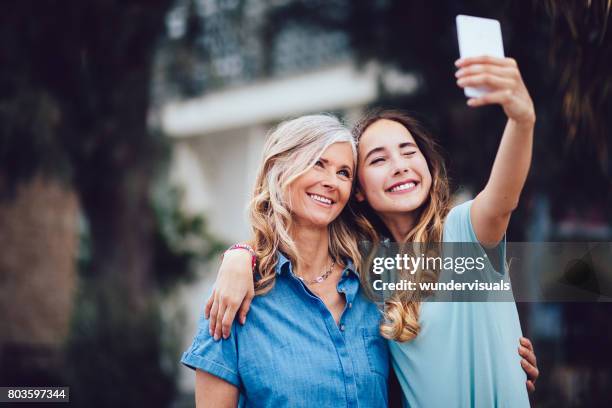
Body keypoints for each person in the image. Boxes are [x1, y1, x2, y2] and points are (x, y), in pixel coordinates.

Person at [205, 56, 539, 406]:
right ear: (359, 189)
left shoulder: (462, 232)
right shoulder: (364, 275)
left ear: (427, 166)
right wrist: (240, 256)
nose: (399, 167)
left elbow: (503, 199)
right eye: (378, 160)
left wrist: (521, 119)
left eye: (408, 152)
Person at [181, 115, 389, 407]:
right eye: (318, 163)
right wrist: (240, 252)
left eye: (344, 173)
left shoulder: (374, 278)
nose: (331, 182)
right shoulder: (235, 297)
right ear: (280, 170)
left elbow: (469, 267)